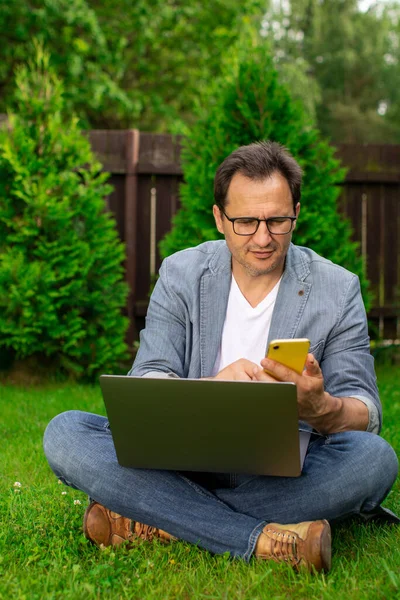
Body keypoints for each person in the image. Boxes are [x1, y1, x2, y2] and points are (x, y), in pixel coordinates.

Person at [44, 141, 398, 573]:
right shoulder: (180, 274)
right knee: (65, 433)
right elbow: (151, 373)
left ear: (297, 214)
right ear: (219, 218)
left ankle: (158, 516)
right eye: (246, 222)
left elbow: (366, 411)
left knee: (374, 460)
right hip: (180, 463)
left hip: (283, 472)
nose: (263, 238)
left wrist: (320, 407)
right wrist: (211, 387)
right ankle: (263, 538)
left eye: (277, 221)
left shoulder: (337, 289)